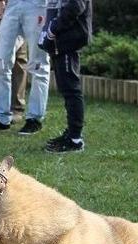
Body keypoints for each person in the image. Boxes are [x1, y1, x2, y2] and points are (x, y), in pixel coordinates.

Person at [0, 0, 50, 135]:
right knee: (0, 62)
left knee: (38, 64)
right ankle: (2, 118)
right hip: (13, 5)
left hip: (38, 5)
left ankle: (34, 119)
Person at [39, 0, 90, 152]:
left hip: (69, 39)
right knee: (66, 89)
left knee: (71, 89)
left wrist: (53, 29)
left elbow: (76, 6)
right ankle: (72, 133)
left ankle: (75, 139)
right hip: (59, 42)